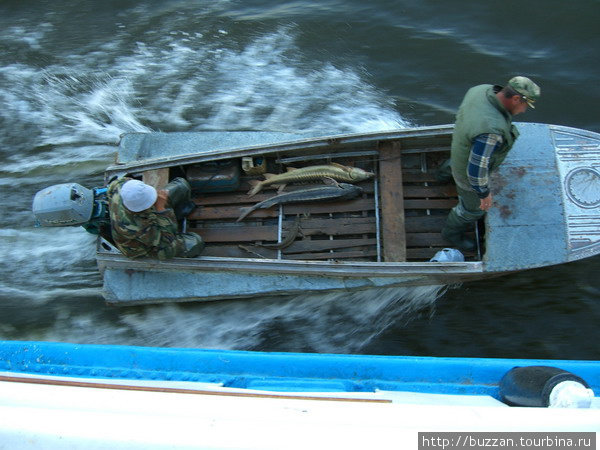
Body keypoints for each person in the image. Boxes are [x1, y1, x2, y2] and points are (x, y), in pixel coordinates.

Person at [440, 76, 541, 251]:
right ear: (516, 99)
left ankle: (441, 176)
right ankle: (451, 233)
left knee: (455, 162)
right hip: (466, 170)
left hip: (459, 146)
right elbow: (475, 171)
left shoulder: (481, 89)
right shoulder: (492, 132)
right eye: (525, 105)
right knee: (473, 210)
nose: (524, 110)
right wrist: (484, 194)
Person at [107, 176, 204, 260]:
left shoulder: (121, 185)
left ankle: (174, 210)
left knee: (182, 186)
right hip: (147, 247)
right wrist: (161, 209)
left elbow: (110, 189)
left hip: (148, 220)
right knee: (195, 243)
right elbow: (168, 238)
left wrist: (157, 199)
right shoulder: (136, 226)